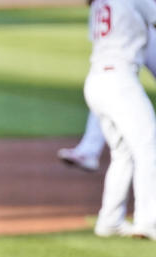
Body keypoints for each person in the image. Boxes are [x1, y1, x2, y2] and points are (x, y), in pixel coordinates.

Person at [77, 0, 156, 239]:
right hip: (120, 80)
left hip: (96, 79)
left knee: (122, 151)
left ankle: (110, 220)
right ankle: (148, 220)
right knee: (148, 147)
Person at [58, 22, 156, 174]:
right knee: (109, 85)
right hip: (130, 35)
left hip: (143, 32)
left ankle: (88, 150)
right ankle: (88, 150)